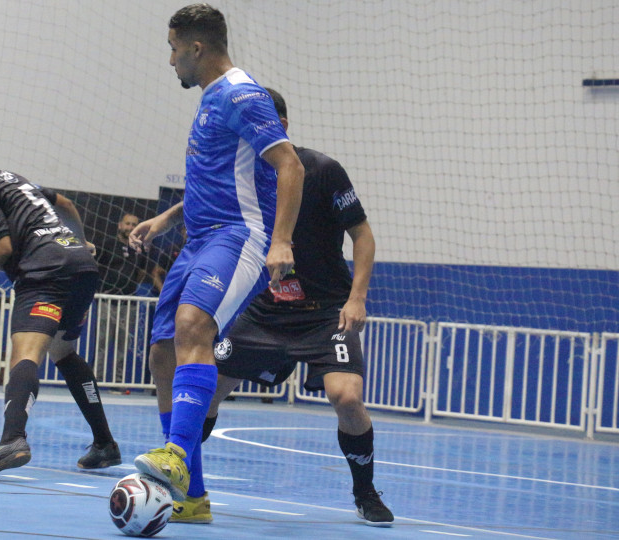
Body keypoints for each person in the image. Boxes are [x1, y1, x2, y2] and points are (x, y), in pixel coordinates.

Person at [167, 88, 394, 526]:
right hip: (263, 311)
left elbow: (362, 236)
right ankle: (181, 478)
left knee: (345, 396)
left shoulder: (322, 171)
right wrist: (165, 218)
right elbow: (203, 195)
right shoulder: (243, 170)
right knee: (208, 386)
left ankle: (365, 492)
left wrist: (357, 298)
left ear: (281, 128)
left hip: (324, 312)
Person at [130, 3, 305, 503]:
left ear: (196, 47)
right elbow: (219, 177)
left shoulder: (241, 94)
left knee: (193, 327)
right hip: (200, 238)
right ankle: (192, 497)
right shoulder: (211, 99)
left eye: (173, 49)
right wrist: (167, 218)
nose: (171, 61)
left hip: (239, 236)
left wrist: (281, 241)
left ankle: (177, 456)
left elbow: (290, 166)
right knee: (163, 349)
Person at [0, 125, 121, 479]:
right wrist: (81, 242)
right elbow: (66, 204)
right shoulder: (13, 179)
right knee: (63, 352)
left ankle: (12, 439)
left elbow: (1, 248)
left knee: (25, 354)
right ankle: (105, 444)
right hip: (81, 266)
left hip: (45, 271)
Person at [95, 212, 149, 385]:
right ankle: (97, 379)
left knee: (123, 345)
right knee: (102, 341)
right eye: (127, 224)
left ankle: (118, 382)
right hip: (107, 301)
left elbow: (141, 273)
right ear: (120, 225)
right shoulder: (107, 244)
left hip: (129, 304)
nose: (130, 228)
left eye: (134, 225)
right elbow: (96, 266)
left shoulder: (139, 249)